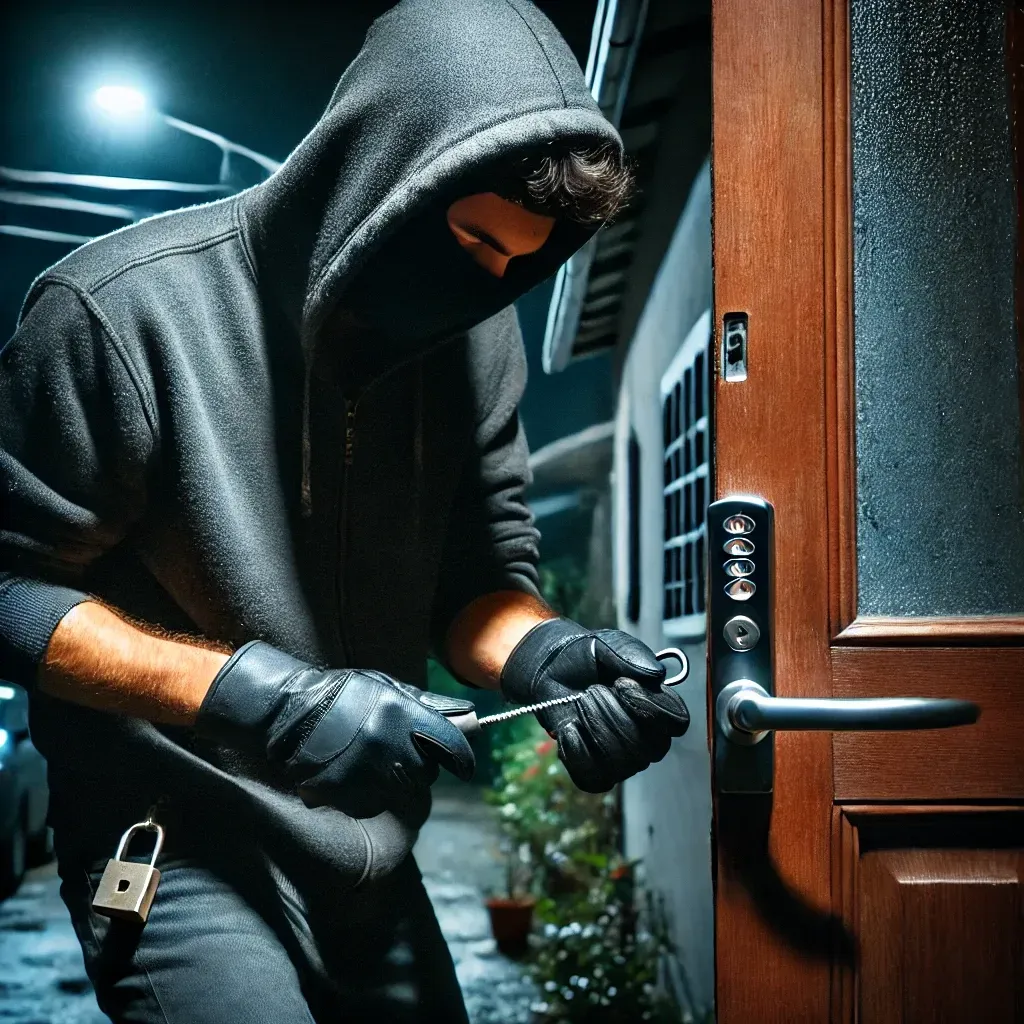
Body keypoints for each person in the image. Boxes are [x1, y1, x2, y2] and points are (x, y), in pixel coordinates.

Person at [0, 1, 689, 1020]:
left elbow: (480, 572)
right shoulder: (117, 314)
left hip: (368, 845)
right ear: (377, 172)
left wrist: (545, 654)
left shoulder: (477, 346)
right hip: (177, 836)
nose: (485, 285)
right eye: (470, 241)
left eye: (516, 263)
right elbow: (13, 589)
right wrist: (255, 695)